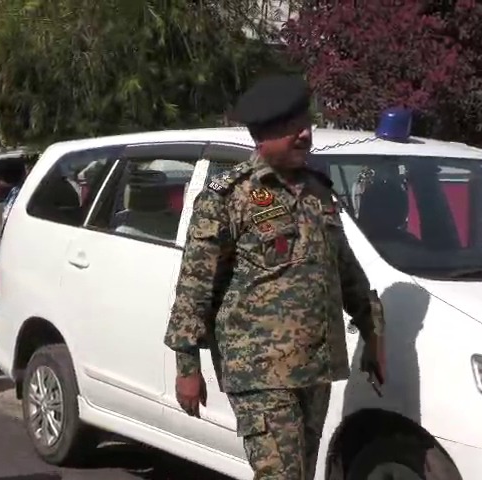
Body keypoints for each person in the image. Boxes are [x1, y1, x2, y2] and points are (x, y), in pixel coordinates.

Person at [163, 75, 387, 480]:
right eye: (292, 128)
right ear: (263, 135)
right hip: (259, 371)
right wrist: (186, 365)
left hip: (315, 367)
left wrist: (373, 333)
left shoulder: (318, 192)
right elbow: (195, 288)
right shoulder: (228, 197)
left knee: (300, 474)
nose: (305, 135)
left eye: (306, 124)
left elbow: (346, 270)